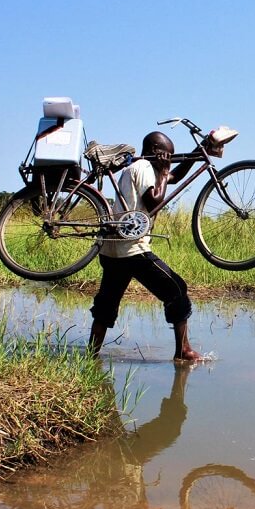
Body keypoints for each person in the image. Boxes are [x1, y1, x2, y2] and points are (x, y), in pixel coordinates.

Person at [88, 131, 202, 361]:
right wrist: (164, 171)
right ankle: (183, 350)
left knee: (107, 304)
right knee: (177, 290)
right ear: (153, 152)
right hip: (132, 249)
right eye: (166, 155)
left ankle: (92, 354)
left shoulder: (142, 169)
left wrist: (200, 152)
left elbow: (175, 177)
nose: (168, 159)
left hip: (113, 250)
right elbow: (154, 200)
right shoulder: (142, 168)